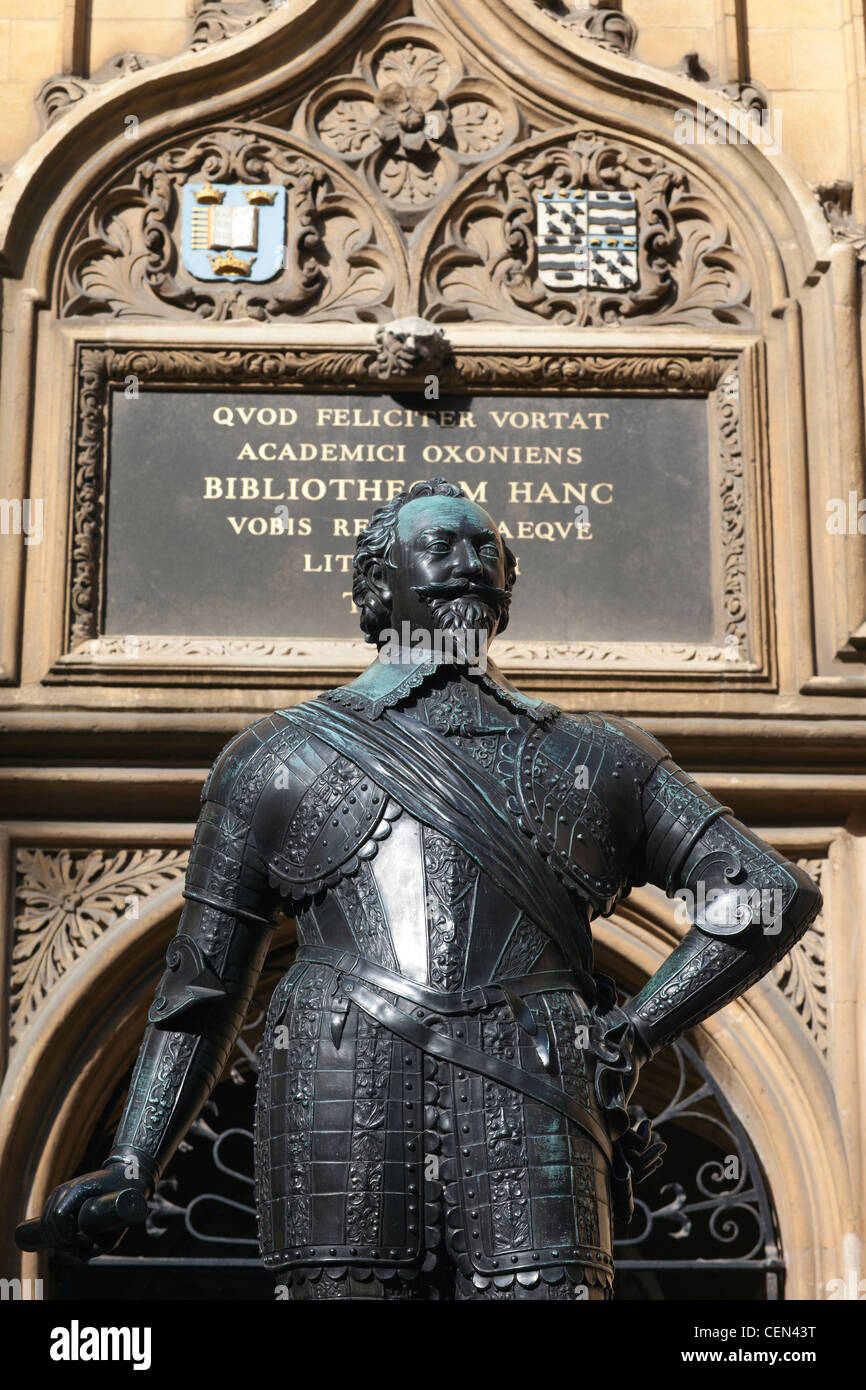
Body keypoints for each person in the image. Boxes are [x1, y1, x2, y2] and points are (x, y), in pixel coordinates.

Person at [24, 478, 821, 1300]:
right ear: (379, 584)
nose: (470, 565)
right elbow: (202, 988)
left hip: (536, 1096)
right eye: (442, 547)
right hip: (341, 1097)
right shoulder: (273, 759)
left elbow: (766, 892)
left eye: (488, 550)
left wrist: (635, 1035)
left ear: (510, 583)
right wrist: (132, 1157)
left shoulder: (598, 756)